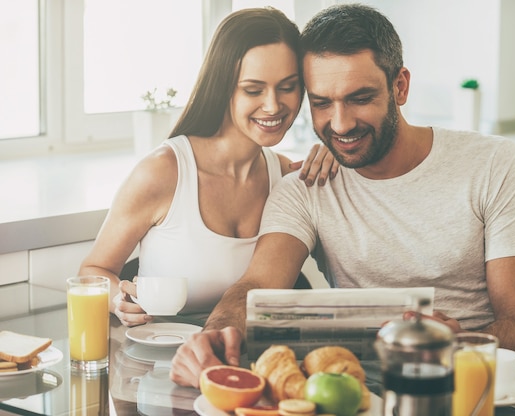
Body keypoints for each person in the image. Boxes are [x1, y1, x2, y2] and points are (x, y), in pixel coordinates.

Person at [170, 3, 515, 388]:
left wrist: (453, 346)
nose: (341, 124)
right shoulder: (305, 188)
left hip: (474, 388)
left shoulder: (492, 164)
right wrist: (214, 334)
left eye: (360, 98)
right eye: (322, 103)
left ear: (399, 86)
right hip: (357, 392)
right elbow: (254, 288)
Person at [78, 7, 338, 327]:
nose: (273, 105)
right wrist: (118, 300)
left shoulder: (285, 176)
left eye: (287, 86)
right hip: (161, 359)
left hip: (244, 359)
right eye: (253, 89)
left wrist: (337, 155)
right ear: (224, 86)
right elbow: (93, 273)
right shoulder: (164, 173)